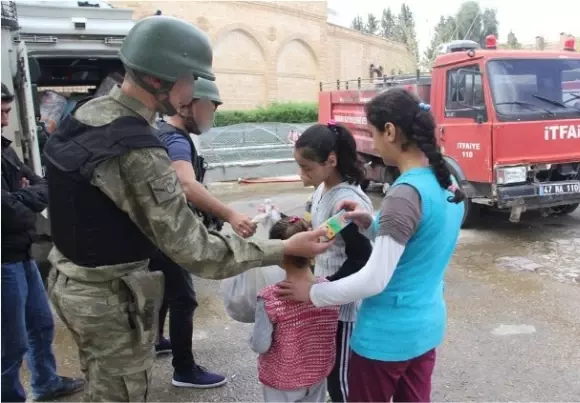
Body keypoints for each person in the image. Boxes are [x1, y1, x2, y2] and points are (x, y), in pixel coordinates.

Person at [42, 16, 332, 402]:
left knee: (100, 377)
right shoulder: (136, 149)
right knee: (121, 392)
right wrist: (284, 249)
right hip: (106, 301)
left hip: (70, 283)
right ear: (161, 79)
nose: (194, 90)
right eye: (192, 80)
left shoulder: (89, 114)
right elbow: (197, 252)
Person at [277, 88, 466, 403]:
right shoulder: (446, 183)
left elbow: (374, 280)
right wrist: (371, 221)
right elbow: (423, 239)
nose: (374, 143)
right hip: (426, 327)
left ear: (390, 132)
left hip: (386, 338)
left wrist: (312, 293)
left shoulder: (404, 195)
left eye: (373, 133)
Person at [151, 78, 256, 388]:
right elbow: (186, 183)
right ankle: (184, 369)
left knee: (167, 291)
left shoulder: (162, 131)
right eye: (208, 108)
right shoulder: (177, 141)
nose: (210, 116)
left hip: (156, 232)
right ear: (188, 106)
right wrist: (230, 213)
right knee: (184, 298)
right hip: (170, 235)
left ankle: (156, 339)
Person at [1, 83, 85, 402]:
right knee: (11, 342)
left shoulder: (4, 149)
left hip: (20, 251)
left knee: (40, 323)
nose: (6, 118)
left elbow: (41, 184)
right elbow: (6, 213)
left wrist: (23, 196)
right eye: (3, 111)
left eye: (9, 110)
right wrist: (23, 199)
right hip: (3, 259)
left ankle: (45, 382)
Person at [293, 122, 373, 402]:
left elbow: (362, 257)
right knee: (330, 373)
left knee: (341, 381)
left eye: (307, 168)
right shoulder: (324, 188)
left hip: (343, 307)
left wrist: (325, 287)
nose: (302, 176)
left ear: (331, 160)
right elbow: (324, 235)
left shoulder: (346, 202)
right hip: (327, 300)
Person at [249, 216, 340, 403]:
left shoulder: (270, 298)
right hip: (318, 373)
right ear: (313, 251)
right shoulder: (330, 291)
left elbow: (260, 344)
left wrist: (251, 339)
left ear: (278, 255)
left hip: (281, 380)